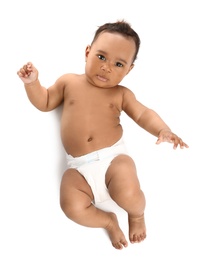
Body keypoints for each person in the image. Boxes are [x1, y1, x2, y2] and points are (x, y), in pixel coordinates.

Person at [17, 20, 189, 250]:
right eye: (101, 57)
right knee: (71, 207)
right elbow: (46, 101)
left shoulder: (121, 95)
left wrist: (162, 129)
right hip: (78, 168)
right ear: (87, 52)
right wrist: (32, 83)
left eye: (118, 64)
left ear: (129, 70)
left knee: (128, 192)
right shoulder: (69, 81)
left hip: (113, 160)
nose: (107, 67)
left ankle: (136, 215)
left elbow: (143, 114)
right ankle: (108, 221)